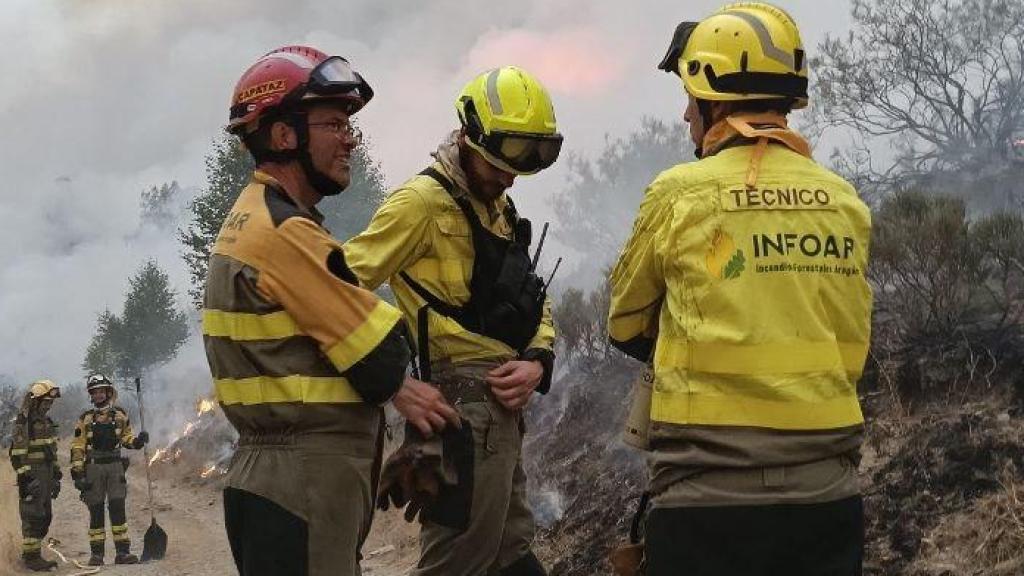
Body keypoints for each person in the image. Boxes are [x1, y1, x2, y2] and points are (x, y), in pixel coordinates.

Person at [607, 4, 873, 575]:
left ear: (714, 99)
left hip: (706, 501)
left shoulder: (680, 193)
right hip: (826, 499)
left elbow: (624, 324)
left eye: (689, 97)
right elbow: (854, 346)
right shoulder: (843, 200)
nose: (685, 114)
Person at [203, 45, 459, 576]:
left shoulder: (254, 219)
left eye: (351, 127)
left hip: (277, 475)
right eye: (334, 124)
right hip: (302, 482)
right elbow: (381, 353)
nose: (350, 141)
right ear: (283, 135)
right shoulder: (284, 232)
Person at [343, 65, 562, 576]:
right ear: (468, 135)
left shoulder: (500, 208)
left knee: (511, 556)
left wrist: (538, 360)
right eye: (498, 166)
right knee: (459, 561)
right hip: (462, 413)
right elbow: (340, 288)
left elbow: (534, 300)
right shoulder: (419, 204)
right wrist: (393, 380)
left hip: (502, 414)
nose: (508, 178)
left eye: (519, 169)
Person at [69, 373, 148, 566]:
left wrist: (137, 442)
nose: (98, 395)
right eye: (94, 392)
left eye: (101, 391)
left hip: (115, 467)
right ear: (91, 394)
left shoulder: (120, 415)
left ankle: (122, 552)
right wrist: (77, 472)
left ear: (108, 392)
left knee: (117, 509)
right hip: (94, 468)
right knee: (96, 510)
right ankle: (97, 555)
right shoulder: (85, 419)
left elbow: (126, 438)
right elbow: (78, 446)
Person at [8, 379, 62, 572]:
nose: (48, 406)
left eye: (50, 403)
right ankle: (31, 558)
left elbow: (50, 450)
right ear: (35, 401)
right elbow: (16, 455)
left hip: (46, 473)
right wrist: (25, 478)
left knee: (46, 515)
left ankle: (33, 554)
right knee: (33, 516)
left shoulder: (46, 422)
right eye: (45, 402)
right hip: (32, 474)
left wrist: (56, 474)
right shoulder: (25, 421)